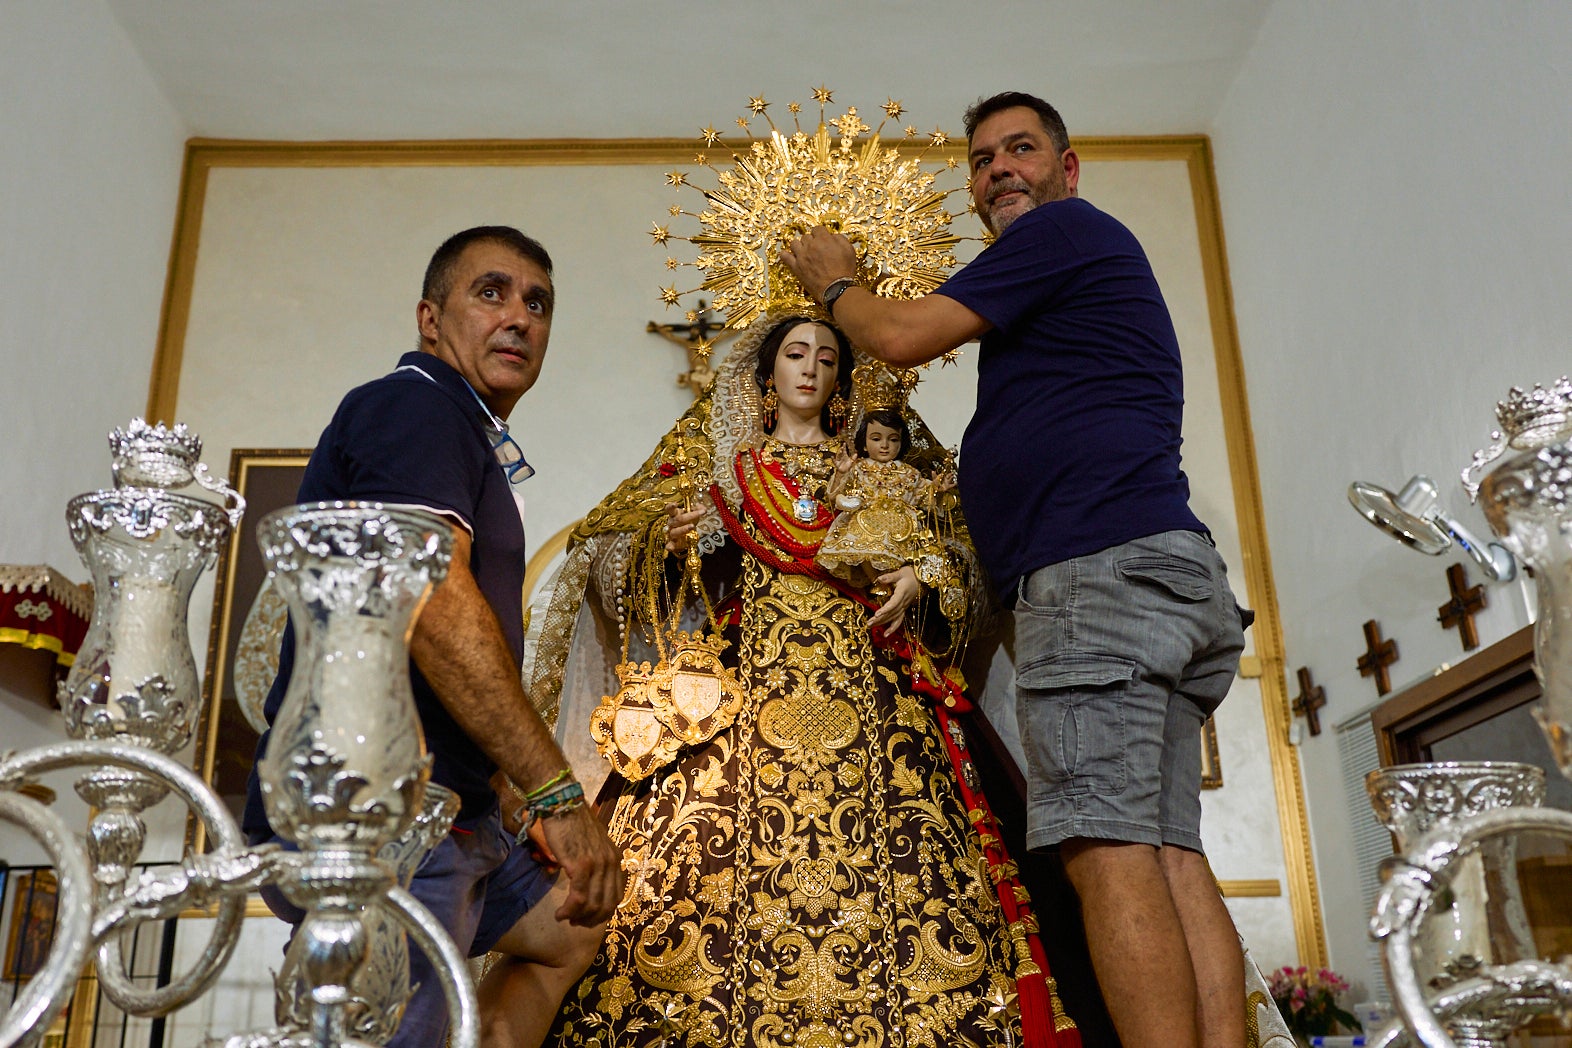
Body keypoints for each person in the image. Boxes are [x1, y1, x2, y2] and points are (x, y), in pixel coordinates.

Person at [781, 93, 1251, 1048]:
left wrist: (835, 284)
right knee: (1167, 847)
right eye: (984, 159)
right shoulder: (1063, 276)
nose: (1000, 169)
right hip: (1158, 570)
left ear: (1066, 170)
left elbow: (902, 335)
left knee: (1106, 846)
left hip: (1096, 578)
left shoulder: (1067, 231)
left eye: (1022, 149)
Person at [533, 313, 1081, 1048]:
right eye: (795, 353)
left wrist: (927, 574)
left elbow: (970, 558)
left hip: (884, 715)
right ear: (766, 373)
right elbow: (606, 555)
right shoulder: (718, 471)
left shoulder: (891, 473)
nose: (811, 368)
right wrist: (663, 545)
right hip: (736, 720)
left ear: (843, 381)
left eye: (828, 358)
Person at [242, 225, 623, 1048]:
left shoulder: (466, 432)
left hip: (466, 806)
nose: (519, 317)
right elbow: (433, 608)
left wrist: (511, 793)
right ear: (429, 318)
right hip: (387, 811)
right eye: (491, 293)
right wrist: (557, 792)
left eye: (538, 303)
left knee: (574, 929)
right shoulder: (415, 404)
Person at [817, 407, 960, 616]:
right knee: (862, 544)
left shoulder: (909, 473)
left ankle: (889, 584)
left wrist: (937, 489)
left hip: (899, 527)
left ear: (901, 443)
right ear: (864, 442)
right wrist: (841, 473)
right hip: (864, 522)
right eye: (876, 438)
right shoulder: (859, 468)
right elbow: (834, 496)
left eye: (893, 440)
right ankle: (878, 582)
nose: (884, 445)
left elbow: (925, 498)